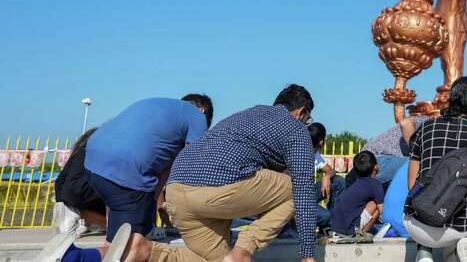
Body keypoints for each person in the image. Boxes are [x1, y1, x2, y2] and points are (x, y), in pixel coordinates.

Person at [149, 84, 317, 262]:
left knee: (218, 259)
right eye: (308, 119)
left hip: (176, 189)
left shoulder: (248, 114)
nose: (306, 123)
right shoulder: (296, 129)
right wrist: (307, 255)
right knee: (296, 190)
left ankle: (146, 252)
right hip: (216, 186)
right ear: (301, 111)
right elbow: (303, 191)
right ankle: (244, 250)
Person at [82, 94, 213, 262]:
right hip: (127, 171)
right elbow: (192, 165)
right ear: (203, 110)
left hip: (93, 162)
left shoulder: (163, 107)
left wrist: (150, 202)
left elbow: (164, 172)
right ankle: (72, 257)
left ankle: (78, 255)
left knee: (117, 242)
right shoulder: (197, 116)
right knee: (131, 248)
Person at [404, 76, 467, 262]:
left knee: (422, 206)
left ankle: (424, 253)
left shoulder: (426, 129)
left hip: (420, 225)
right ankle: (459, 252)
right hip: (466, 225)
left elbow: (412, 185)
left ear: (450, 98)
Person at [54, 128, 106, 235]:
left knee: (65, 233)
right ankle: (91, 222)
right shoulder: (96, 148)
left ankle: (87, 222)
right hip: (79, 195)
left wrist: (60, 201)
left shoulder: (80, 150)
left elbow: (60, 179)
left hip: (68, 196)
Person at [361, 116, 427, 186]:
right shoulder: (427, 121)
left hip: (369, 160)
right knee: (416, 163)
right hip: (376, 159)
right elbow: (405, 123)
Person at [331, 151, 384, 236]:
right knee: (375, 205)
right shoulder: (375, 184)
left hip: (335, 228)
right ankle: (359, 235)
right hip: (348, 231)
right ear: (376, 166)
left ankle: (357, 232)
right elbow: (382, 211)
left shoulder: (356, 183)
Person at [308, 123, 345, 231]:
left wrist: (327, 177)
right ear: (321, 142)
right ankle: (333, 224)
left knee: (338, 181)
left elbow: (330, 171)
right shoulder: (300, 151)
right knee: (326, 216)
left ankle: (335, 221)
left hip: (306, 193)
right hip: (293, 199)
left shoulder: (314, 153)